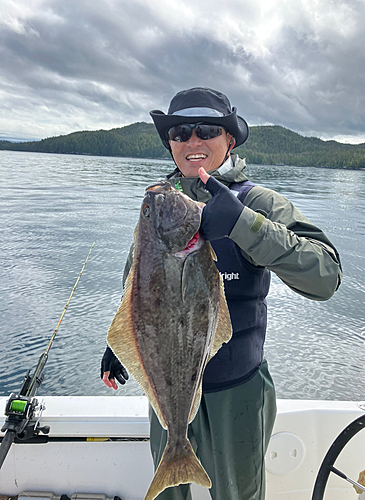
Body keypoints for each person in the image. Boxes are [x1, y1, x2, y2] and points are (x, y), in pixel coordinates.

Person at [101, 87, 342, 500]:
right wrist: (121, 346)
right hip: (165, 390)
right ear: (170, 144)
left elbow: (326, 277)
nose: (192, 141)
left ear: (229, 139)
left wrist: (245, 224)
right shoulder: (159, 205)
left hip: (238, 391)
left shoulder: (258, 203)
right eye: (180, 132)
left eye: (206, 129)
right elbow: (137, 284)